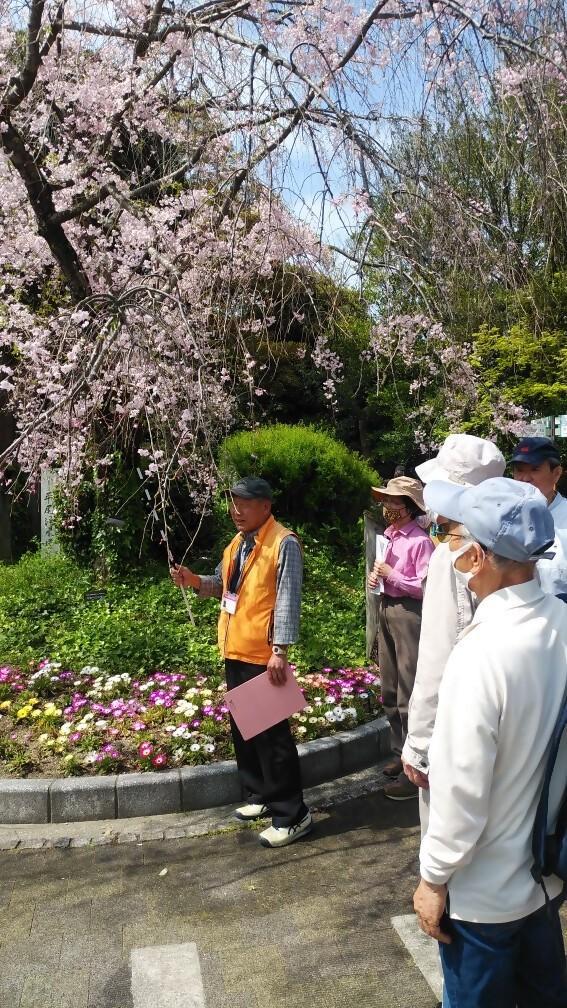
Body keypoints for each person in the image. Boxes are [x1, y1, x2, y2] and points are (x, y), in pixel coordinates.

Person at [413, 477, 567, 1008]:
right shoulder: (563, 624)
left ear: (477, 556)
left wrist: (432, 880)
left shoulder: (480, 653)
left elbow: (460, 792)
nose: (450, 547)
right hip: (543, 877)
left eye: (454, 537)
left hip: (483, 898)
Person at [170, 477, 311, 848]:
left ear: (265, 506)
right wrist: (193, 580)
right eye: (233, 503)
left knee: (272, 737)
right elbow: (223, 585)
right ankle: (261, 795)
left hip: (263, 655)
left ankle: (293, 814)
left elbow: (287, 599)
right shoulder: (238, 543)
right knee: (247, 731)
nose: (236, 510)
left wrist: (280, 650)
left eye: (244, 504)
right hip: (235, 647)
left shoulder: (284, 543)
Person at [402, 435, 506, 827]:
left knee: (446, 833)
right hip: (504, 712)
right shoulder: (509, 545)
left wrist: (419, 744)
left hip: (457, 719)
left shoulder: (455, 553)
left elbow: (437, 653)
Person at [368, 476, 435, 800]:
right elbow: (386, 575)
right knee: (390, 687)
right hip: (387, 607)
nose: (387, 507)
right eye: (386, 500)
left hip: (408, 613)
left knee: (409, 687)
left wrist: (391, 576)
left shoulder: (420, 541)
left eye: (394, 501)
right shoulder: (390, 536)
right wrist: (377, 579)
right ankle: (400, 752)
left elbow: (424, 587)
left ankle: (415, 767)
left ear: (408, 507)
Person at [511, 436, 567, 602]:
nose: (525, 478)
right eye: (519, 470)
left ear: (556, 474)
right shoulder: (505, 518)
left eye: (535, 469)